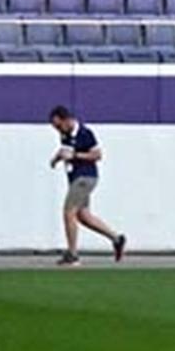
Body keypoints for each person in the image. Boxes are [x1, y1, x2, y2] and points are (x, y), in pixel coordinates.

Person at [48, 105, 126, 267]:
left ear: (67, 120)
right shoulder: (65, 135)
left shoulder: (84, 133)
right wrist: (57, 158)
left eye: (59, 125)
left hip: (85, 177)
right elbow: (65, 151)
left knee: (69, 212)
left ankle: (73, 254)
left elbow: (97, 155)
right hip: (75, 177)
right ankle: (116, 239)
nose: (58, 130)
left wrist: (76, 155)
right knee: (83, 216)